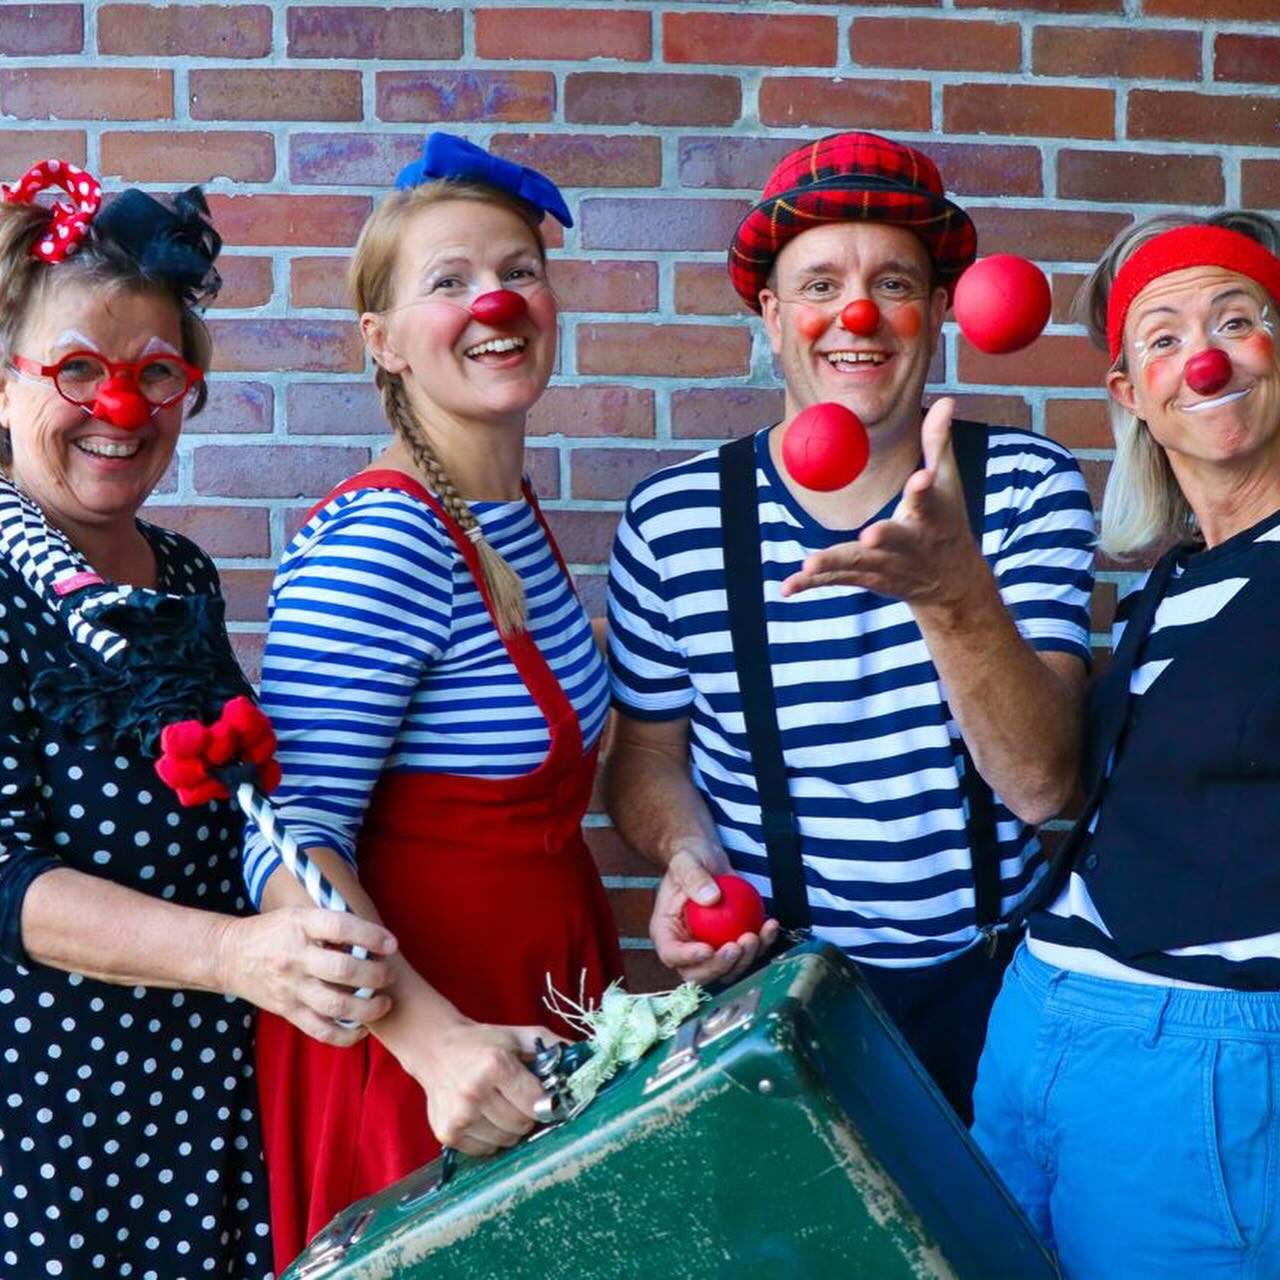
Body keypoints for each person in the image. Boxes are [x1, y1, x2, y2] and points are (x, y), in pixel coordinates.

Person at [605, 131, 1096, 1120]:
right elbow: (643, 756)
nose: (856, 315)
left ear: (941, 309)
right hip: (772, 995)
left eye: (893, 283)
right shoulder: (671, 521)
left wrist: (950, 589)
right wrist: (687, 852)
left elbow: (1044, 783)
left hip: (996, 990)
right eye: (819, 283)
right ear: (770, 313)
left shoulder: (1028, 488)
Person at [0, 160, 395, 1279]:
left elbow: (240, 803)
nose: (119, 409)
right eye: (77, 369)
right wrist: (236, 952)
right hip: (47, 1131)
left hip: (203, 1098)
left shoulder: (178, 569)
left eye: (154, 371)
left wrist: (311, 927)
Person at [245, 133, 624, 1270]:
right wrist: (430, 1039)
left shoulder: (500, 505)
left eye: (517, 269)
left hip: (534, 1001)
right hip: (419, 1054)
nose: (493, 300)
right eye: (448, 281)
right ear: (383, 342)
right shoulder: (388, 535)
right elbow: (283, 835)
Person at [972, 212, 1280, 1278]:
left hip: (1197, 1066)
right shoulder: (1170, 578)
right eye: (1159, 336)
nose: (1199, 355)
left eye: (1234, 320)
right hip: (1034, 1029)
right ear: (1130, 396)